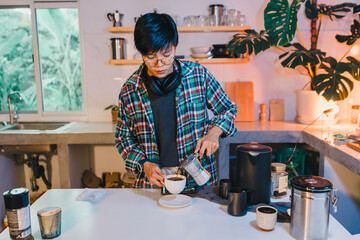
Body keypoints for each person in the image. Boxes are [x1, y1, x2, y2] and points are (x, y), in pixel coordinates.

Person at [115, 12, 237, 188]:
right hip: (153, 183)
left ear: (175, 46)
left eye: (166, 54)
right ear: (141, 54)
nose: (160, 64)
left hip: (197, 179)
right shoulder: (130, 90)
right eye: (151, 57)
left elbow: (228, 109)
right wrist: (144, 164)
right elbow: (123, 137)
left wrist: (214, 132)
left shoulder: (197, 75)